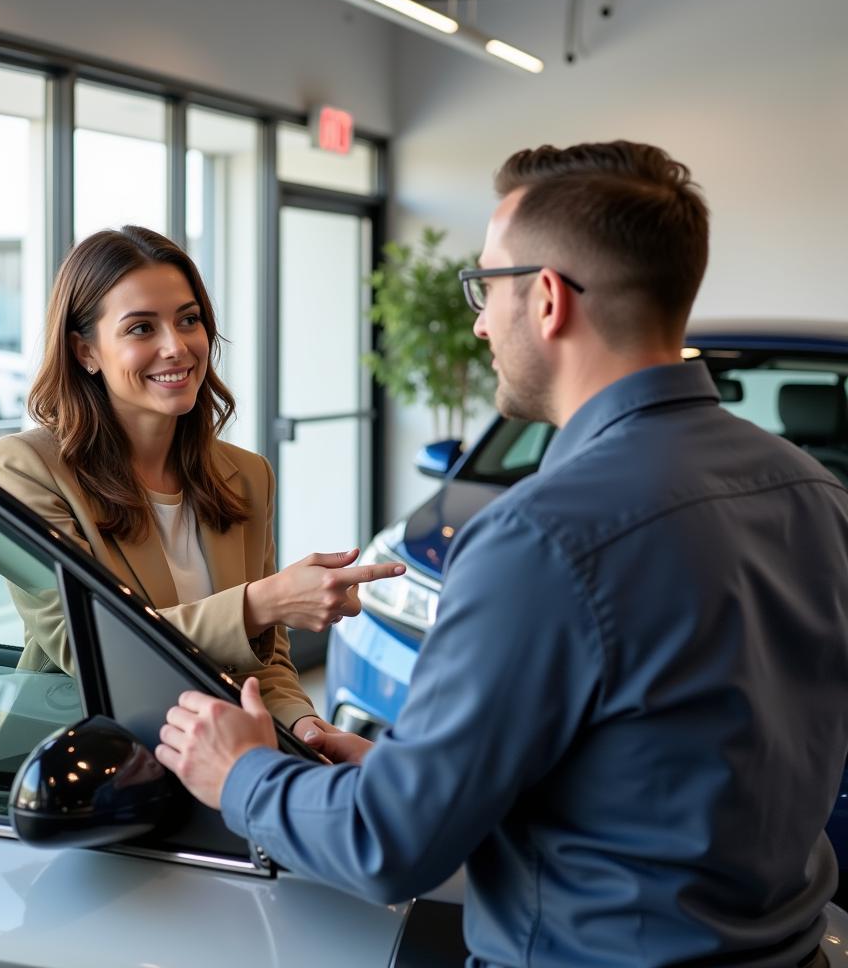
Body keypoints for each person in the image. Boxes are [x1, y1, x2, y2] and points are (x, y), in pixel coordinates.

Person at [155, 142, 848, 967]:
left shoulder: (540, 538)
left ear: (548, 300)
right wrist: (408, 770)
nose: (479, 320)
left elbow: (389, 848)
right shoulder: (811, 492)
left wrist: (240, 773)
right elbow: (674, 764)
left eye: (486, 287)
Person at [0, 225, 404, 737]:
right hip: (87, 762)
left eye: (189, 320)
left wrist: (306, 728)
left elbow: (264, 663)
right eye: (141, 328)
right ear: (85, 352)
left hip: (222, 762)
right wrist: (263, 602)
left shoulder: (248, 476)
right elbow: (90, 646)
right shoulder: (27, 468)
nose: (177, 347)